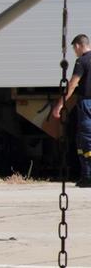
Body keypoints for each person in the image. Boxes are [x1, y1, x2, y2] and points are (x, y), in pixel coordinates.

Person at [52, 33, 91, 184]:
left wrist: (60, 105)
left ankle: (88, 176)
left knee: (86, 140)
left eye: (75, 49)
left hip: (87, 104)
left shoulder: (82, 61)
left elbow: (73, 84)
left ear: (78, 46)